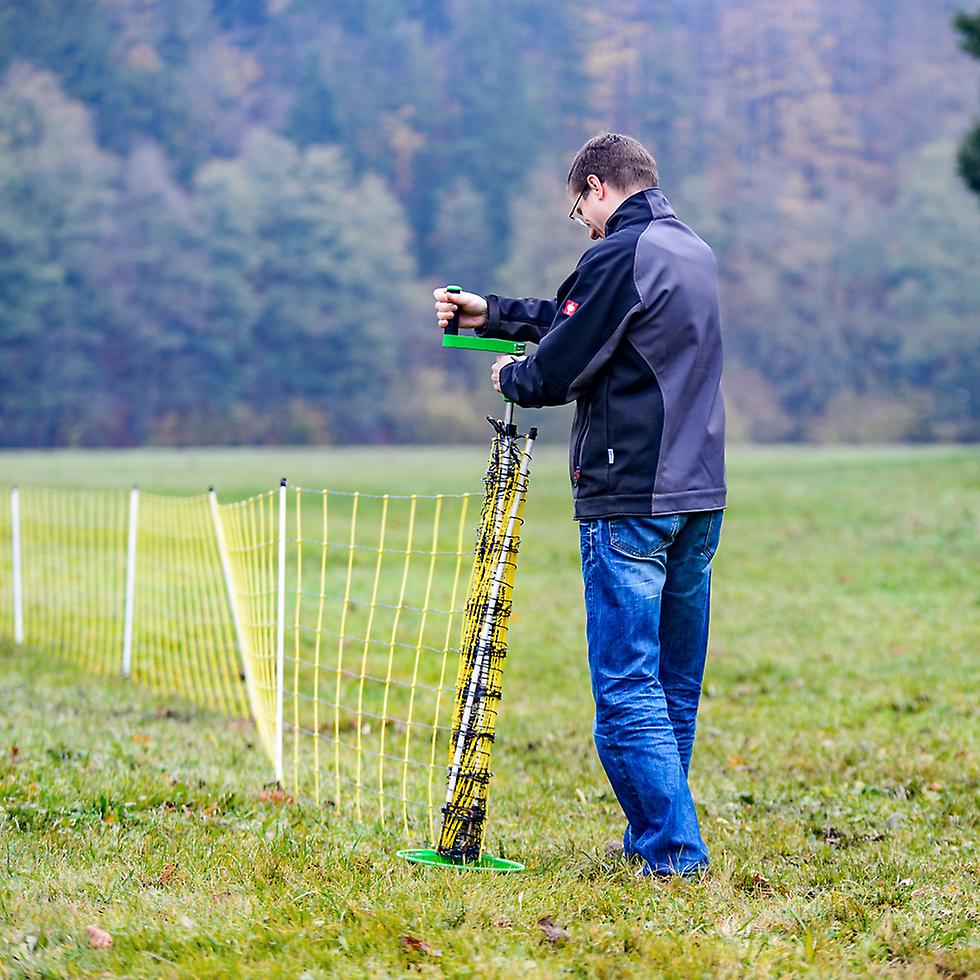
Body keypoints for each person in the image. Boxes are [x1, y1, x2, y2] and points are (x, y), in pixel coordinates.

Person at [433, 133, 726, 877]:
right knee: (670, 686)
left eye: (579, 211)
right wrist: (489, 312)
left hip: (629, 494)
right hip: (698, 497)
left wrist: (511, 376)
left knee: (626, 693)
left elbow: (560, 363)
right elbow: (584, 318)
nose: (584, 225)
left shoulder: (617, 254)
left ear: (597, 187)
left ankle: (674, 857)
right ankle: (652, 843)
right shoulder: (691, 250)